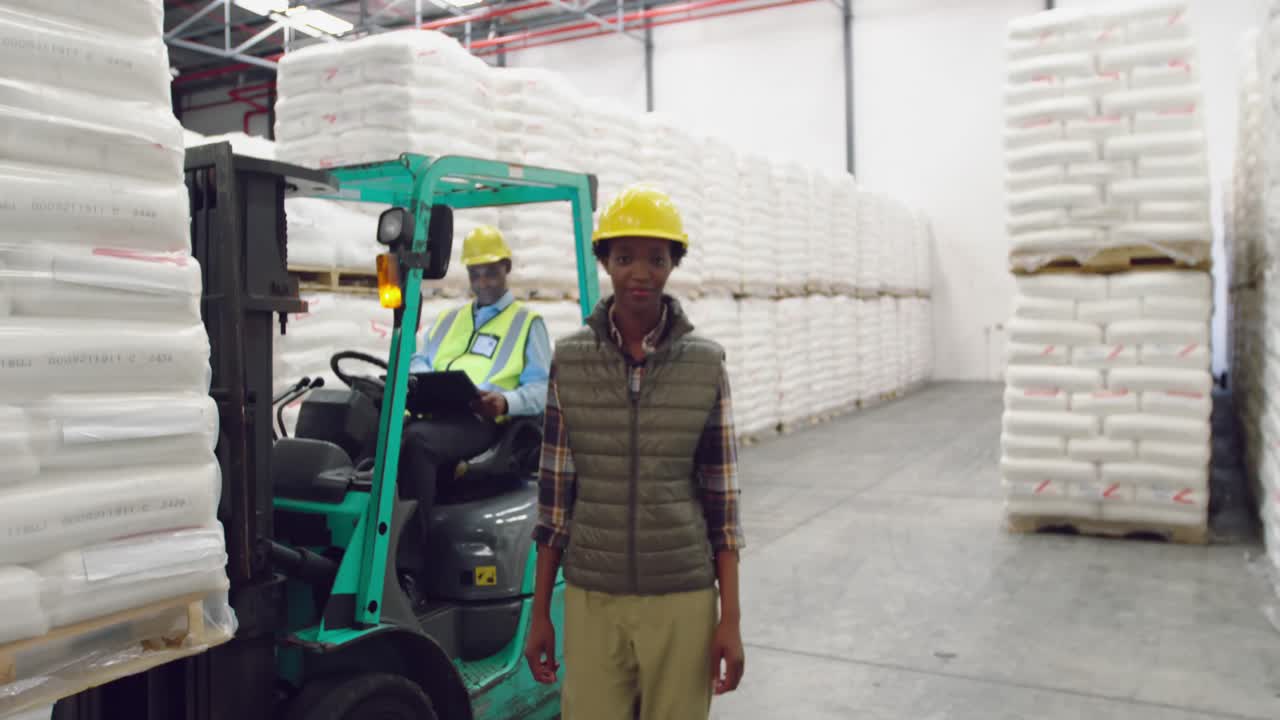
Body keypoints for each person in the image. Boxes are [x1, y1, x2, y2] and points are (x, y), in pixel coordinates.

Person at [523, 185, 746, 720]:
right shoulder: (571, 360)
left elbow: (723, 501)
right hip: (593, 599)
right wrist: (539, 614)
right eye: (624, 258)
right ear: (605, 262)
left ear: (673, 265)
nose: (639, 273)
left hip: (683, 599)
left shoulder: (705, 364)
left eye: (656, 258)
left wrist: (730, 618)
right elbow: (555, 500)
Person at [399, 224, 550, 509]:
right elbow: (420, 359)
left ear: (506, 267)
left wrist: (506, 402)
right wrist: (420, 381)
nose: (483, 283)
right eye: (475, 274)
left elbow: (544, 388)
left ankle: (410, 544)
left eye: (491, 273)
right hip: (435, 412)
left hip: (481, 422)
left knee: (416, 443)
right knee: (373, 431)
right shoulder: (449, 319)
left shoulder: (527, 323)